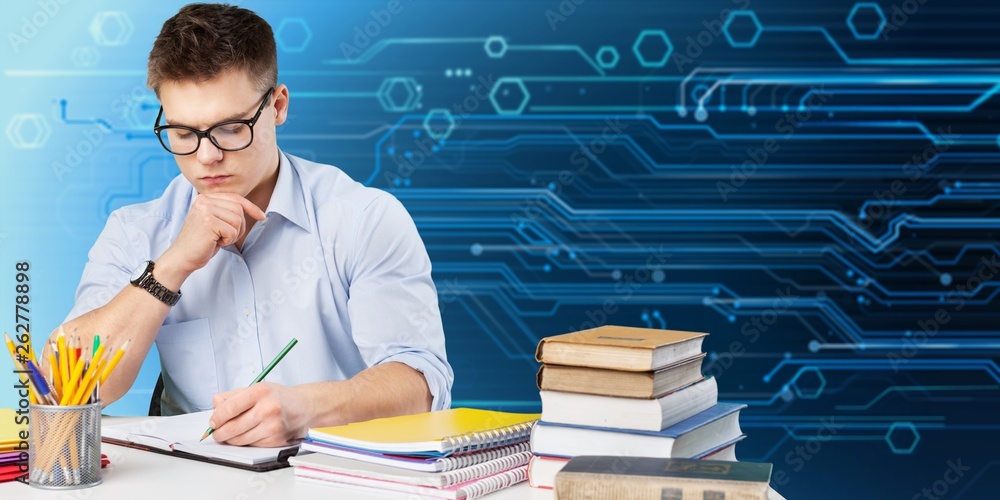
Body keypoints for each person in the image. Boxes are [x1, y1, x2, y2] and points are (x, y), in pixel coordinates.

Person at [46, 3, 452, 447]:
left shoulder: (363, 219)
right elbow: (65, 388)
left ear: (277, 106)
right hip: (192, 481)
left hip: (337, 478)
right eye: (183, 133)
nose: (206, 157)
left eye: (230, 128)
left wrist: (310, 409)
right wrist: (169, 268)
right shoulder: (135, 232)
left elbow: (421, 384)